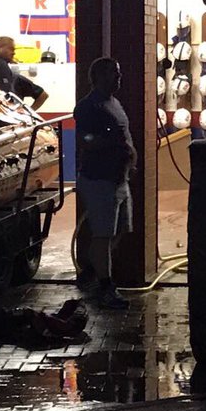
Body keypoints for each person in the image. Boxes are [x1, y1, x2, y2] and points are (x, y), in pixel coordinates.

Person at [72, 57, 136, 310]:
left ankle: (92, 268)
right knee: (103, 235)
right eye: (112, 73)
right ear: (97, 77)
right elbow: (85, 140)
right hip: (100, 179)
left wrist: (128, 158)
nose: (118, 78)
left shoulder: (114, 103)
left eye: (118, 73)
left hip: (120, 179)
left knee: (120, 229)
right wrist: (113, 145)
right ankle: (105, 288)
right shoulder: (88, 107)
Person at [0, 36, 49, 111]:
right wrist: (26, 113)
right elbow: (5, 96)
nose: (13, 53)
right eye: (11, 49)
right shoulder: (0, 64)